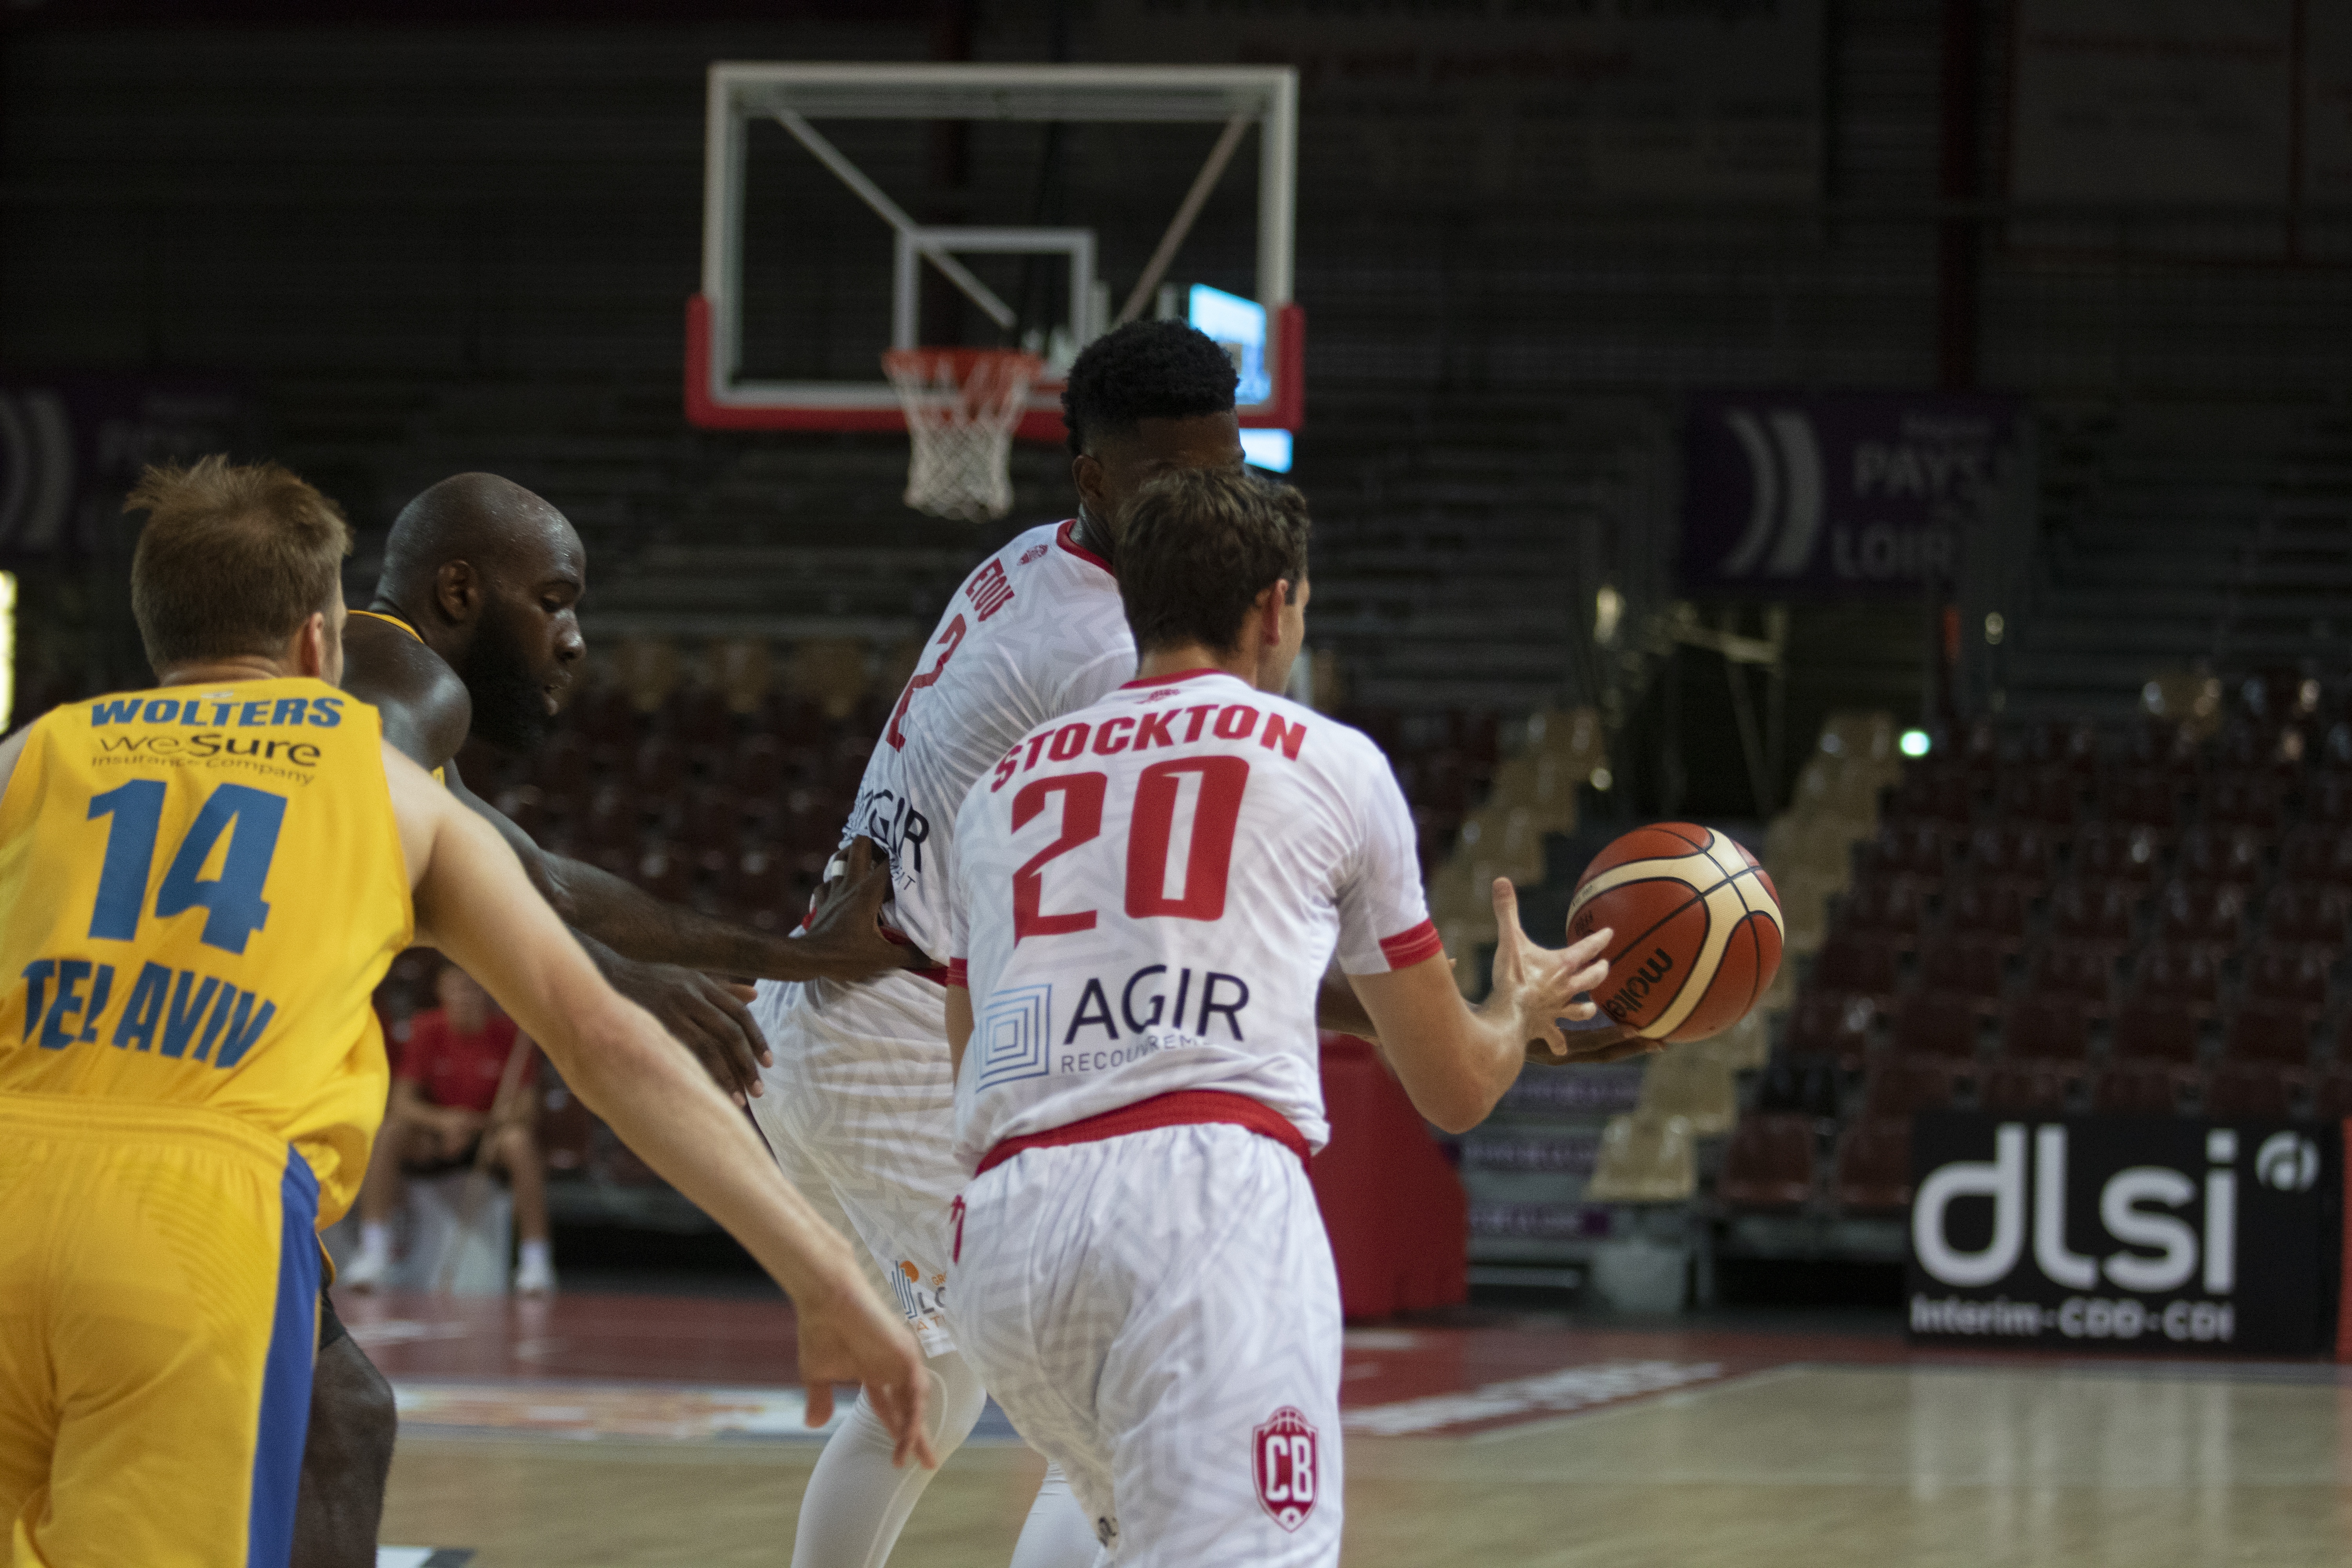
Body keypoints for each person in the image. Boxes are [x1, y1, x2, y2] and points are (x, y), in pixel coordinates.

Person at [0, 457, 933, 1568]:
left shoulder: (32, 753)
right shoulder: (377, 754)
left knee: (342, 1412)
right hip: (197, 1217)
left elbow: (538, 876)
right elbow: (594, 1033)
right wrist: (826, 1277)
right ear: (319, 640)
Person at [940, 466, 1635, 1564]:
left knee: (1098, 1518)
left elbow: (971, 1049)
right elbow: (1454, 1088)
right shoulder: (1330, 761)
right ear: (1276, 607)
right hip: (1197, 1205)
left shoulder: (1001, 789)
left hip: (1002, 1229)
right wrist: (1515, 1007)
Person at [292, 470, 917, 1568]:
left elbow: (554, 888)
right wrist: (606, 985)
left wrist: (801, 957)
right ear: (457, 590)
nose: (576, 640)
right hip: (197, 1155)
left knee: (341, 1414)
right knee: (328, 1422)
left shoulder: (392, 696)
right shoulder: (401, 690)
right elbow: (351, 813)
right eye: (555, 600)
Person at [745, 320, 1264, 1568]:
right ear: (1094, 477)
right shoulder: (1101, 654)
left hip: (835, 1024)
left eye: (1225, 468)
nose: (1210, 500)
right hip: (892, 1042)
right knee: (1105, 1405)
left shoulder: (1030, 559)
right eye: (1175, 475)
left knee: (935, 1375)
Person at [345, 962, 554, 1295]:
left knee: (519, 1143)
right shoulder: (427, 1028)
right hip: (436, 1137)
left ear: (486, 993)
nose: (466, 997)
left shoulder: (512, 1035)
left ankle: (535, 1262)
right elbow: (402, 1102)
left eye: (473, 988)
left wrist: (474, 1125)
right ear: (442, 993)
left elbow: (526, 1109)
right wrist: (445, 1123)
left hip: (490, 1138)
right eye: (458, 988)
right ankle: (374, 1251)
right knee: (390, 1133)